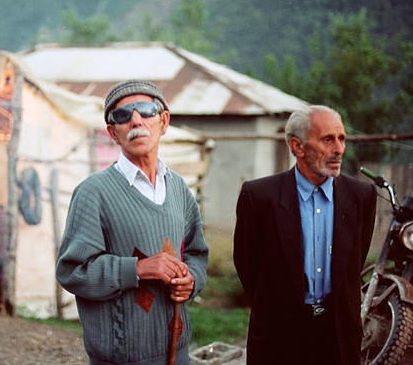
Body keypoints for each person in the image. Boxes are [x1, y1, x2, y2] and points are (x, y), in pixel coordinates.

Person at [56, 80, 209, 365]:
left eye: (146, 110)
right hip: (121, 359)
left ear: (163, 122)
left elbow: (197, 254)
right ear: (113, 133)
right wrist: (138, 268)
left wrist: (191, 281)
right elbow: (72, 271)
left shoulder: (178, 188)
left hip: (178, 353)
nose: (136, 120)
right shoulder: (94, 193)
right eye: (123, 115)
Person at [233, 105, 377, 365]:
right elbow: (247, 265)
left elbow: (353, 263)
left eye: (341, 138)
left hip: (337, 335)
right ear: (297, 147)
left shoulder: (360, 196)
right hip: (279, 335)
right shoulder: (259, 196)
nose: (339, 149)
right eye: (327, 139)